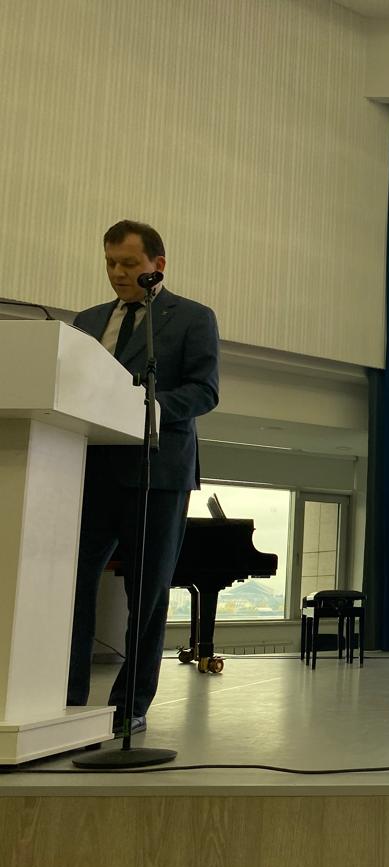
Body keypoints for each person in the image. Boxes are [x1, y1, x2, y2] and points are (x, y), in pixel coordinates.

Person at [66, 220, 220, 736]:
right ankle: (65, 697)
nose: (117, 273)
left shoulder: (192, 317)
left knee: (146, 598)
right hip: (90, 471)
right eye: (111, 263)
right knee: (70, 587)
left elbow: (205, 390)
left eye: (129, 264)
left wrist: (150, 407)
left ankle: (129, 705)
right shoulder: (87, 321)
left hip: (158, 473)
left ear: (158, 265)